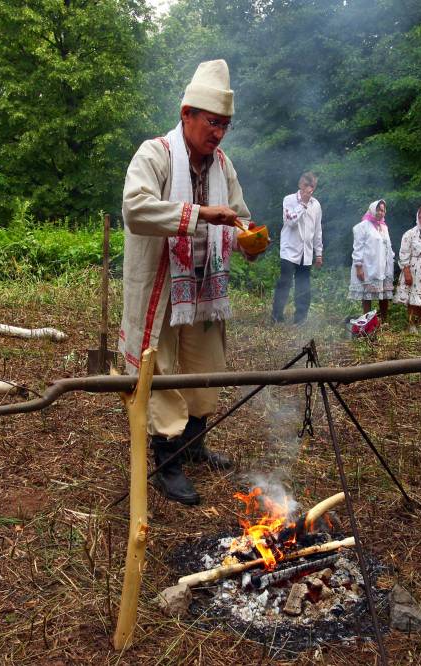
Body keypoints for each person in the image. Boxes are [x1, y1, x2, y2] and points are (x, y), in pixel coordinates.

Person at [119, 59, 263, 505]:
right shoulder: (155, 154)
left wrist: (250, 239)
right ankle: (166, 460)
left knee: (206, 366)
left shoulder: (222, 166)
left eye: (225, 125)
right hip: (161, 287)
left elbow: (238, 214)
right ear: (186, 114)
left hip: (204, 289)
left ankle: (193, 442)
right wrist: (200, 213)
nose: (218, 133)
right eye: (211, 122)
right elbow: (134, 209)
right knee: (158, 367)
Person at [272, 171, 323, 324]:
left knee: (303, 285)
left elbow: (317, 230)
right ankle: (277, 316)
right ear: (300, 184)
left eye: (312, 186)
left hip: (306, 252)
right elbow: (290, 222)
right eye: (307, 185)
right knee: (285, 282)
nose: (309, 189)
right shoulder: (289, 200)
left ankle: (300, 318)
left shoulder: (316, 205)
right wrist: (303, 204)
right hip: (289, 249)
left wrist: (318, 253)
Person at [349, 200, 394, 324]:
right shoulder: (362, 226)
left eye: (383, 210)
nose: (380, 212)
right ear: (372, 210)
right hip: (368, 265)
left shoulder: (384, 227)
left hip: (382, 266)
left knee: (383, 294)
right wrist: (359, 266)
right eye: (378, 209)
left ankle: (384, 321)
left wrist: (390, 262)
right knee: (366, 295)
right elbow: (357, 247)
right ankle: (366, 322)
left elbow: (388, 246)